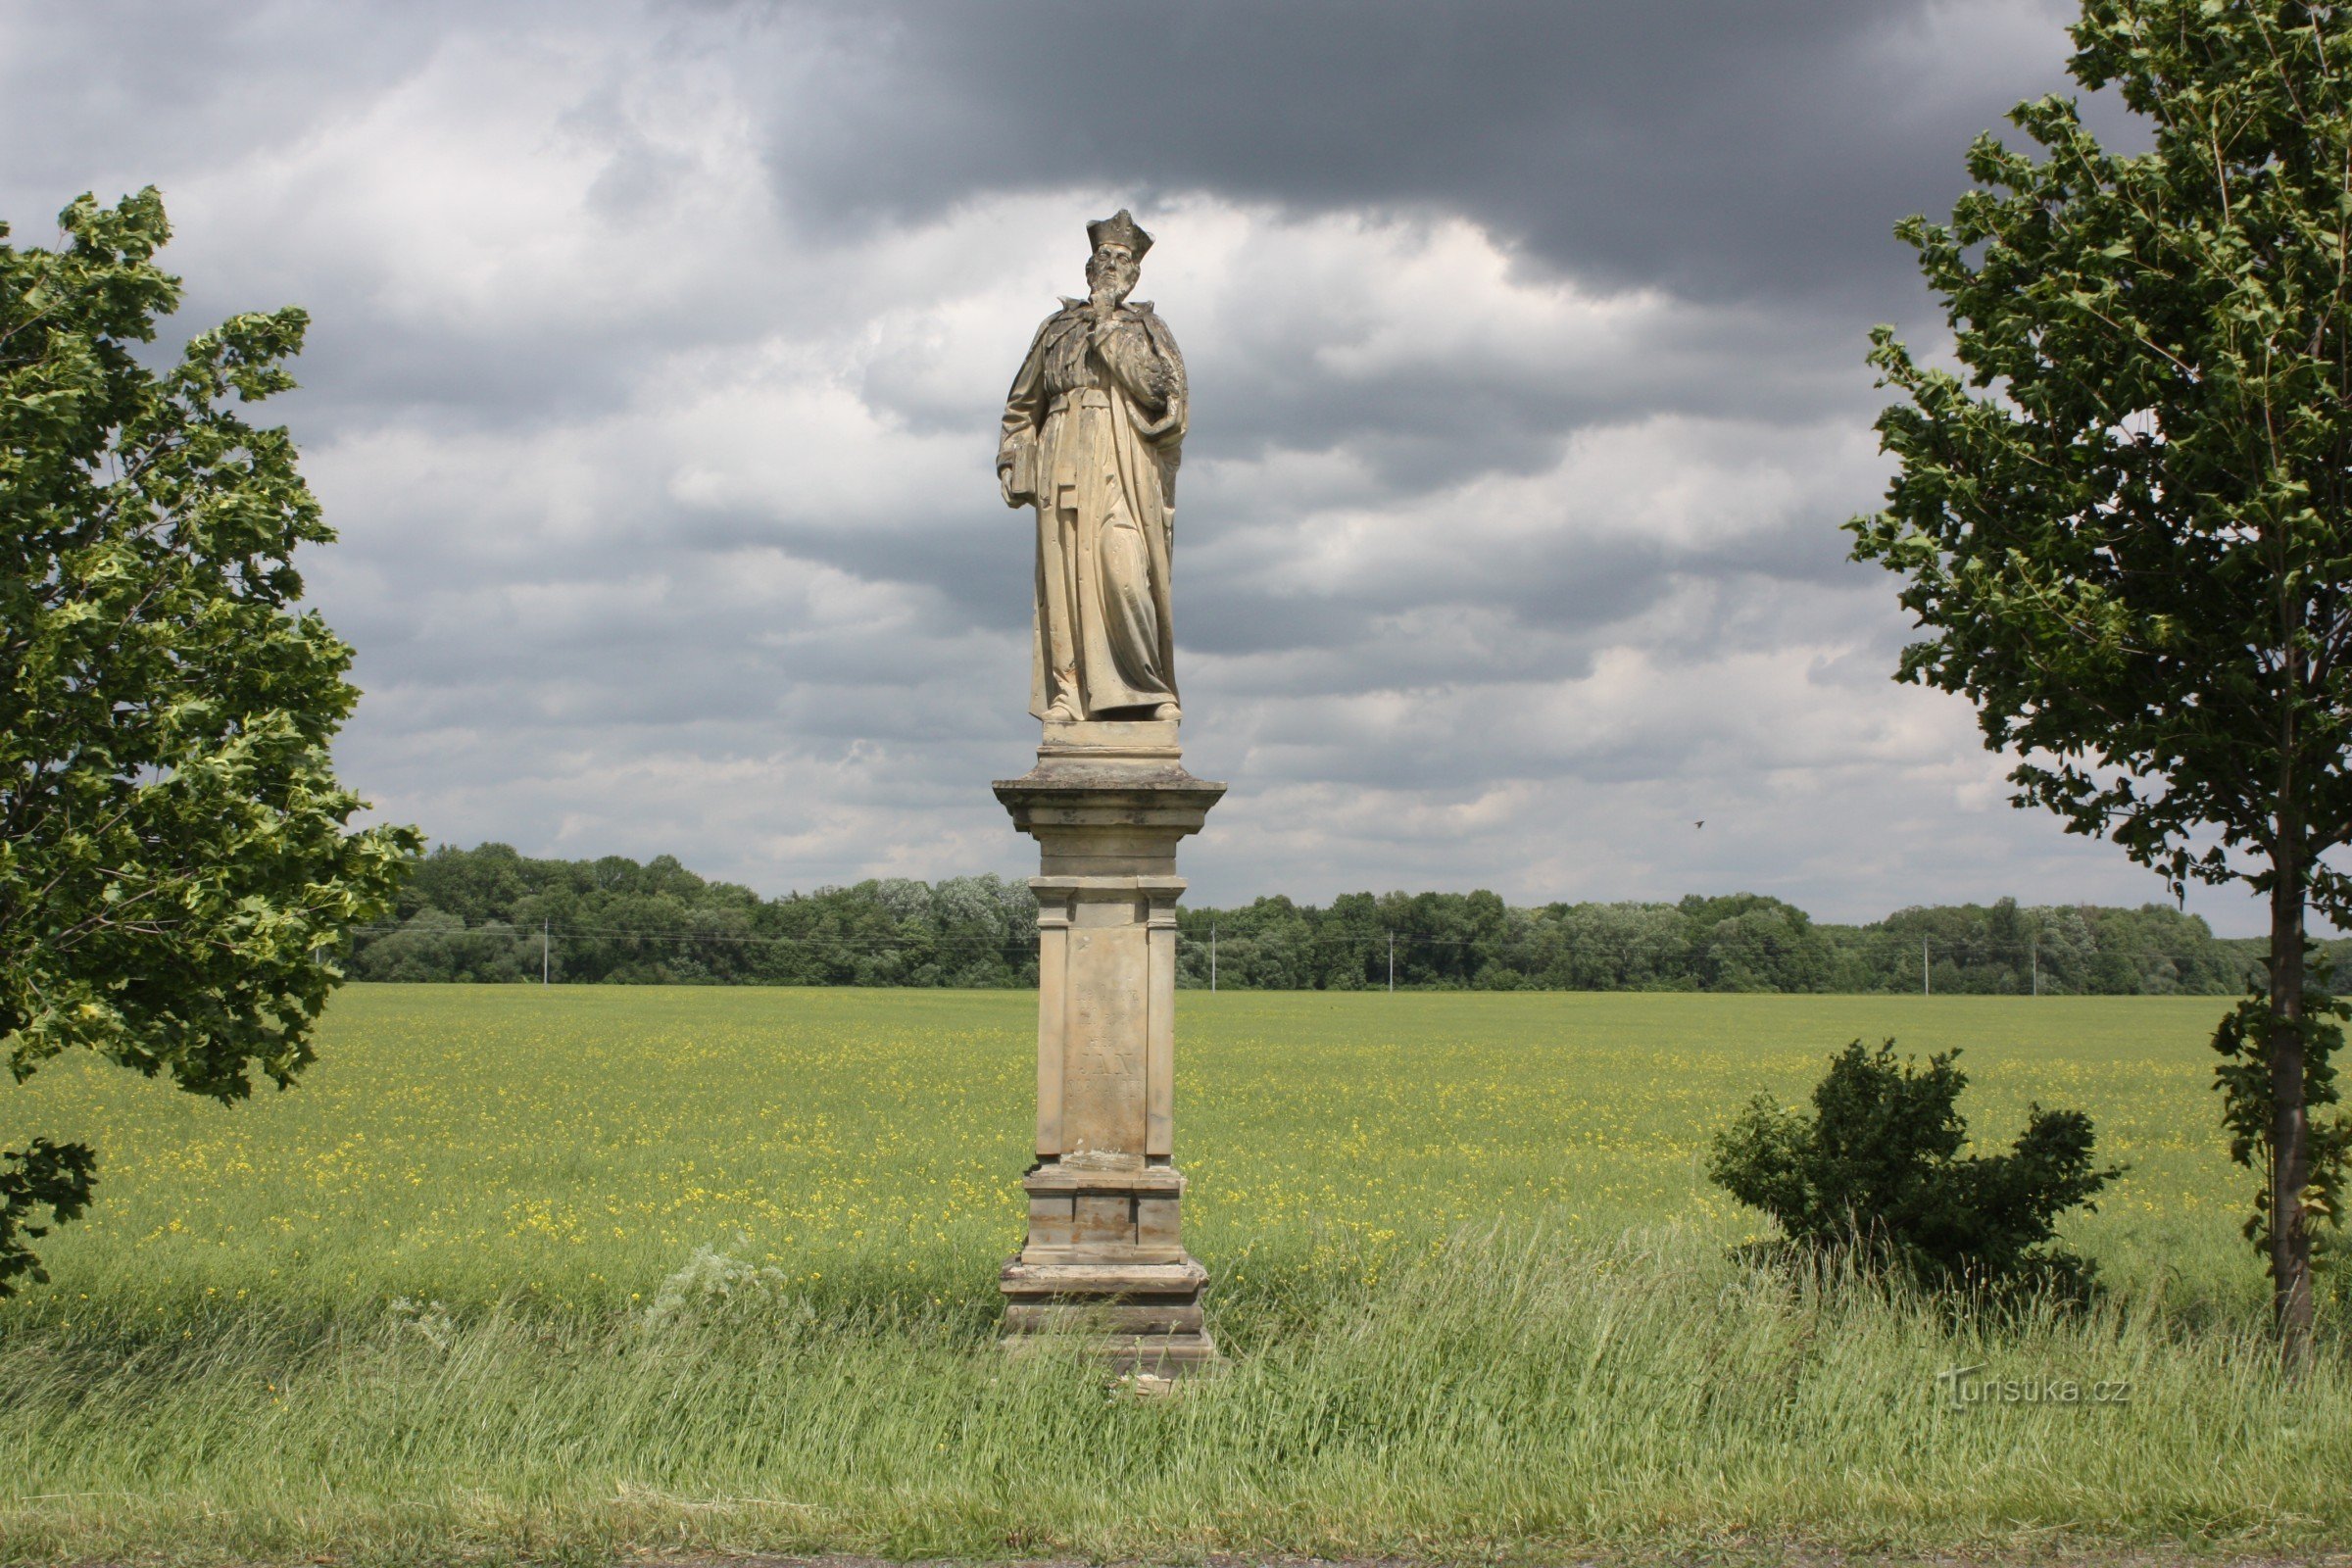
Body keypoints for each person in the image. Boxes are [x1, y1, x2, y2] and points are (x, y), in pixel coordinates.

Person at [998, 210, 1188, 723]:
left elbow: (1160, 392)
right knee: (1065, 579)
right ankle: (1069, 692)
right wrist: (1014, 457)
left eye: (1122, 258)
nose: (1110, 264)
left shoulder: (1147, 330)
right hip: (1063, 456)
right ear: (1088, 265)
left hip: (1123, 459)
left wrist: (1106, 322)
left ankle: (1148, 689)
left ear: (1134, 273)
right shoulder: (1056, 329)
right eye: (1103, 256)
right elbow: (1022, 404)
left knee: (1124, 568)